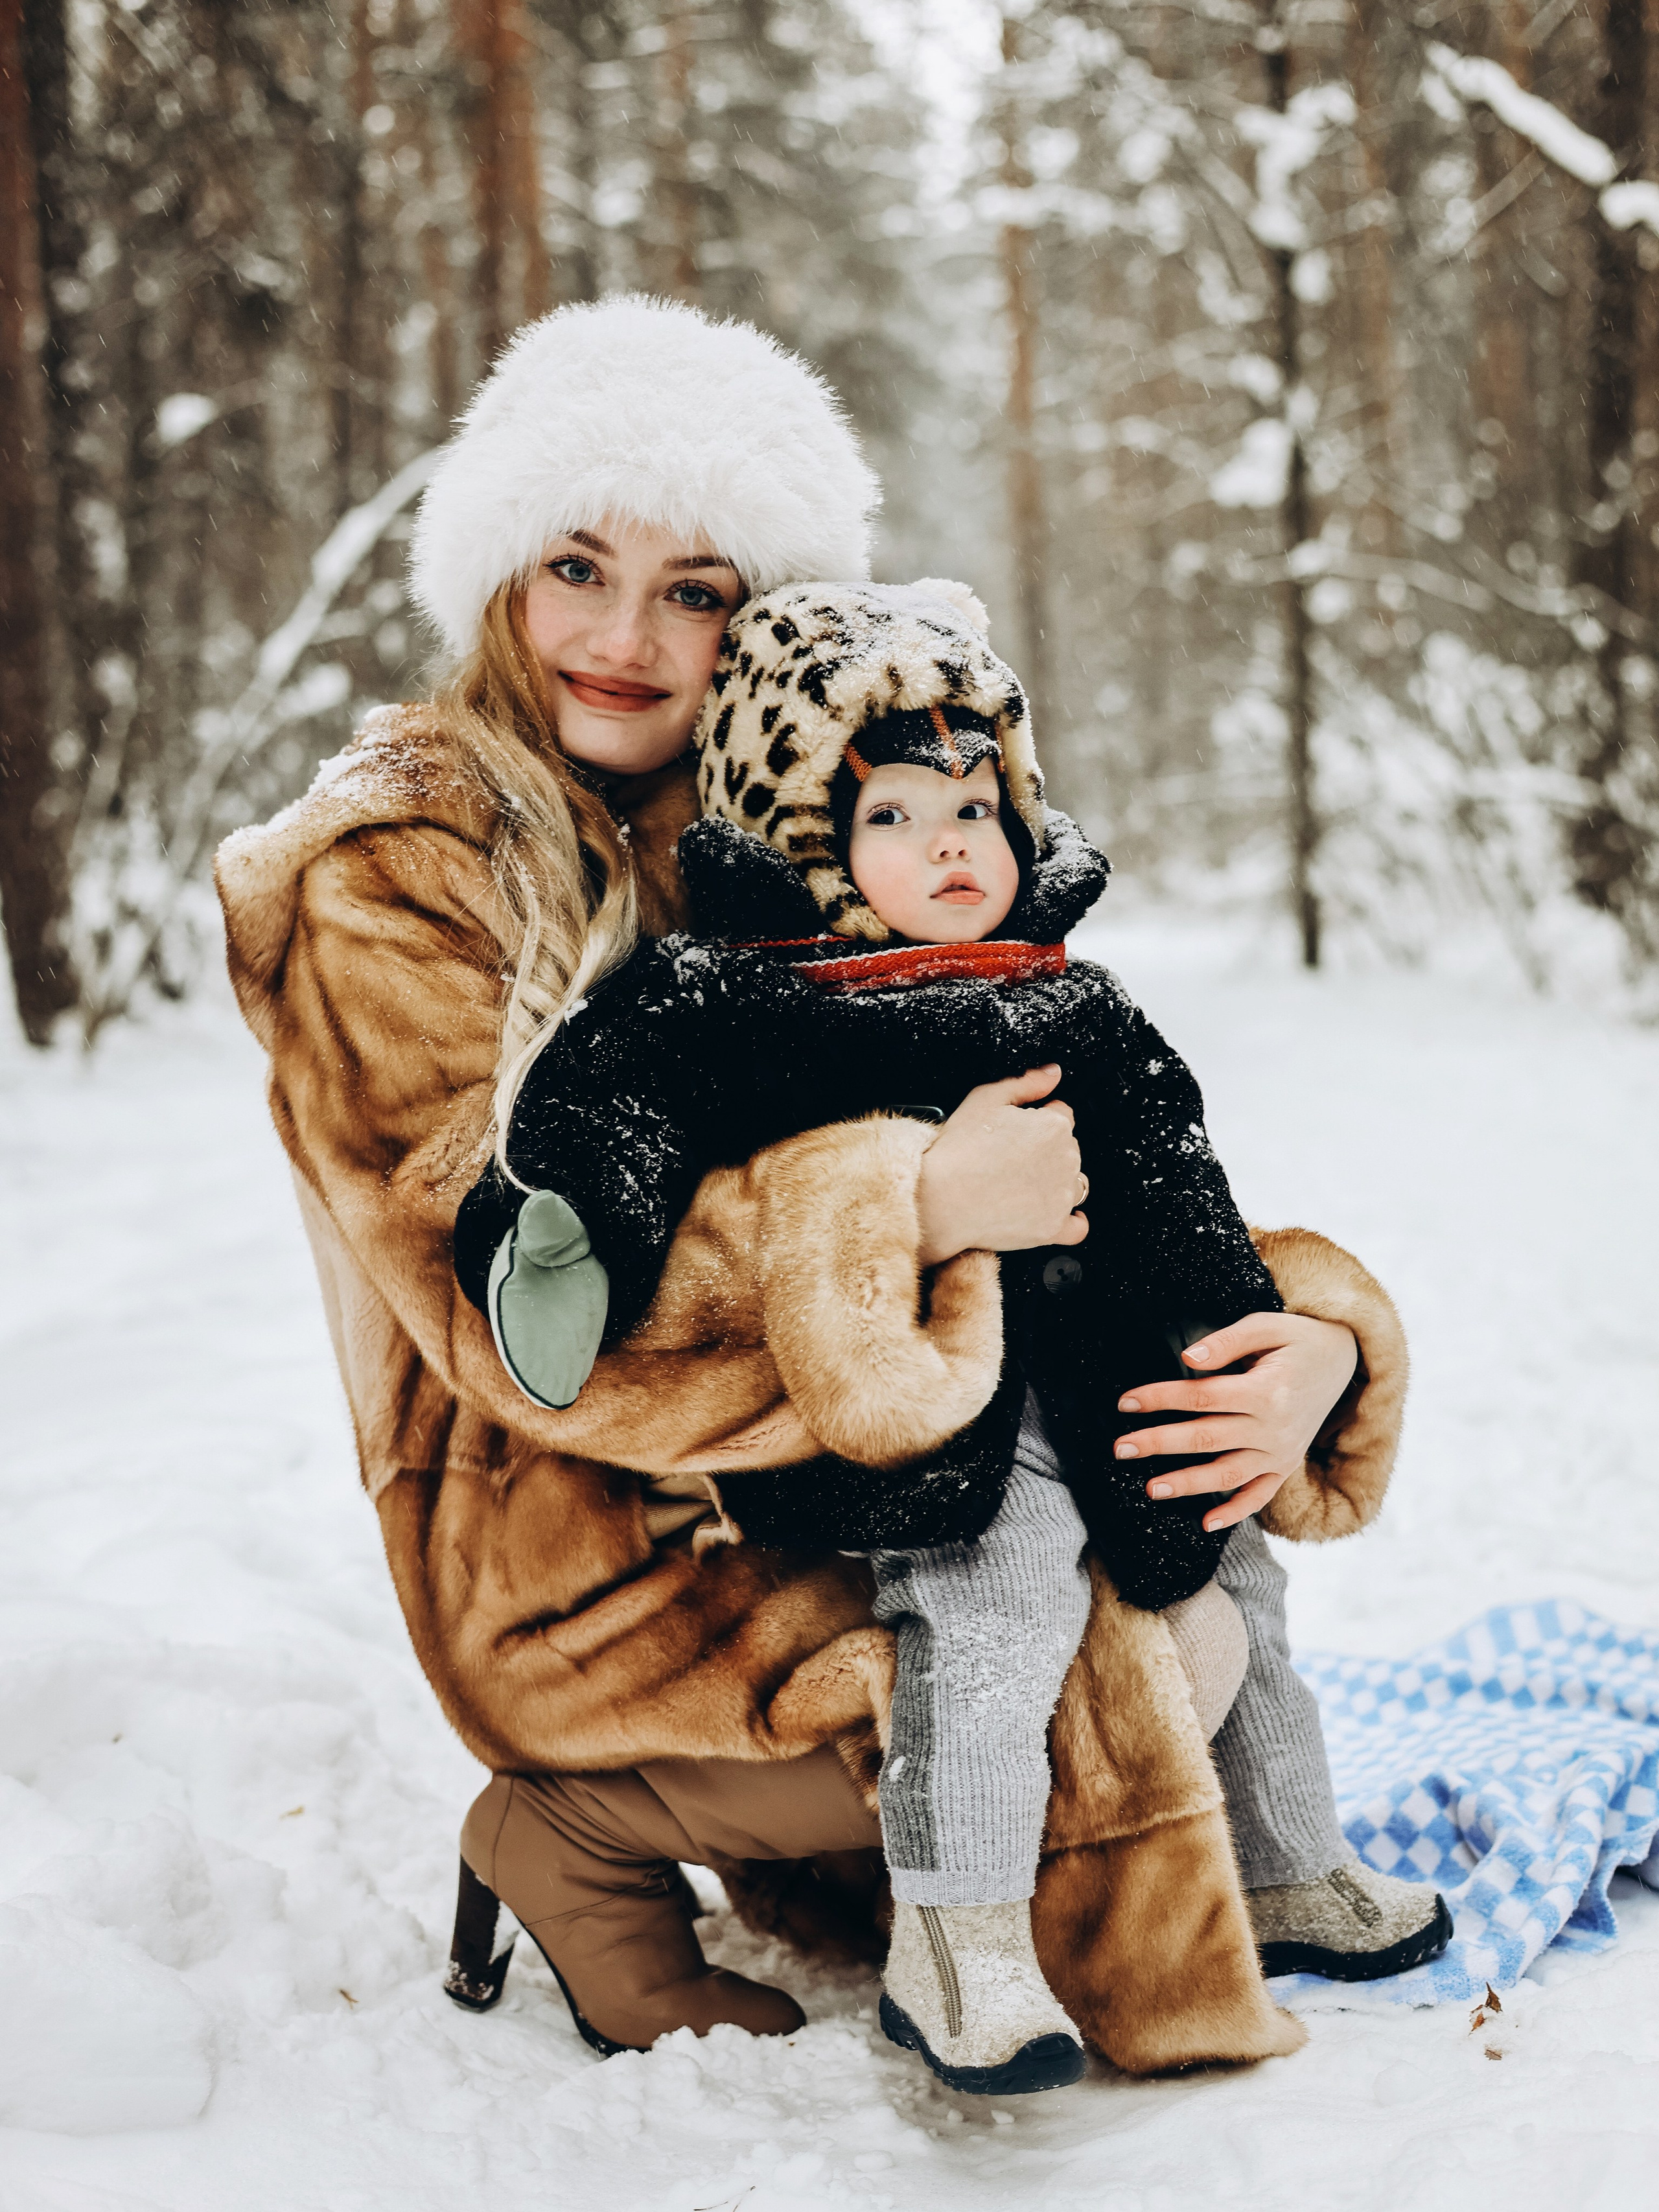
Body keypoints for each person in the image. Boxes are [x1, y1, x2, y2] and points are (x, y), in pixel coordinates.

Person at [213, 294, 1419, 2084]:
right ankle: (580, 1819)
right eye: (574, 566)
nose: (625, 638)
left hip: (831, 1474)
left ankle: (863, 1848)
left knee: (1188, 1591)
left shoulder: (771, 832)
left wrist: (1306, 1342)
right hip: (586, 1554)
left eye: (696, 589)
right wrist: (915, 1210)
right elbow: (509, 1320)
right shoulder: (393, 864)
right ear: (495, 573)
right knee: (1092, 1678)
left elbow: (1070, 1125)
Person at [452, 577, 1451, 2092]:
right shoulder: (750, 996)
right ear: (808, 844)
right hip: (940, 1416)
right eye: (895, 817)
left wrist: (1256, 1351)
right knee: (985, 1632)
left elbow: (1172, 1171)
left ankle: (1280, 1861)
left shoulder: (1075, 1000)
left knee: (1238, 1561)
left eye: (974, 810)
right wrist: (575, 1221)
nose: (949, 846)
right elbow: (614, 1098)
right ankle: (956, 1939)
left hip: (1116, 1385)